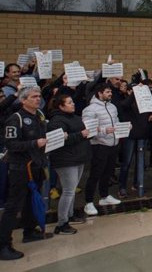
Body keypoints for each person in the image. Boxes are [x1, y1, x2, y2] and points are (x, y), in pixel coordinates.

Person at [0, 86, 51, 261]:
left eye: (39, 96)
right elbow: (12, 145)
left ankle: (29, 231)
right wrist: (34, 143)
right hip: (20, 168)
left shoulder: (39, 116)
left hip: (36, 165)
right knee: (13, 206)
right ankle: (3, 245)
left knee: (31, 200)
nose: (38, 99)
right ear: (23, 100)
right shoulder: (16, 119)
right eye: (33, 96)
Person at [46, 95, 90, 235]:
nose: (73, 104)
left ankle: (70, 215)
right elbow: (60, 140)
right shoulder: (56, 121)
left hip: (78, 157)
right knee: (68, 191)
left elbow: (78, 133)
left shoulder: (75, 117)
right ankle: (61, 223)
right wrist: (80, 135)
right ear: (61, 106)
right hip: (65, 160)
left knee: (71, 189)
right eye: (70, 102)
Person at [83, 83, 124, 216]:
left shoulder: (112, 107)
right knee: (95, 174)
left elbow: (116, 122)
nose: (110, 94)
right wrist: (104, 131)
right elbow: (88, 129)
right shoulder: (90, 109)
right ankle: (88, 202)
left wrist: (123, 128)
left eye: (110, 92)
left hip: (113, 144)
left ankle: (104, 196)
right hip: (99, 145)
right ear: (99, 93)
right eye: (107, 92)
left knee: (108, 173)